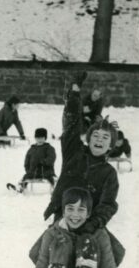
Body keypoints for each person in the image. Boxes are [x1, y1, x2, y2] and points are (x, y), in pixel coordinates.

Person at [43, 72, 119, 235]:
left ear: (110, 146)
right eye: (95, 136)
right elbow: (71, 125)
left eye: (105, 137)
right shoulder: (74, 153)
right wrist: (75, 93)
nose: (99, 140)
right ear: (89, 139)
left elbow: (108, 204)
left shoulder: (109, 173)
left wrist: (94, 223)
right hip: (63, 220)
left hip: (90, 226)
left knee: (110, 255)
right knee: (47, 254)